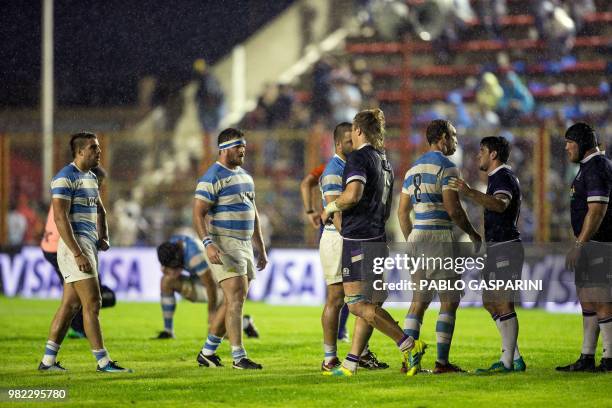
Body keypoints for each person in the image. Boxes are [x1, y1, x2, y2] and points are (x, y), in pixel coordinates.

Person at [321, 108, 426, 377]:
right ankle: (351, 362)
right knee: (371, 302)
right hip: (378, 237)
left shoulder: (359, 158)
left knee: (356, 304)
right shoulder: (384, 160)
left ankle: (408, 344)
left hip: (359, 239)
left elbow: (353, 195)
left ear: (358, 130)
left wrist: (331, 207)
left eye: (352, 132)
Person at [38, 132, 131, 373]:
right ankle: (103, 362)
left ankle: (48, 361)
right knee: (93, 302)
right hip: (74, 247)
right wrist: (77, 252)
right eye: (93, 148)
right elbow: (60, 217)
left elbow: (100, 210)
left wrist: (104, 235)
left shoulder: (90, 177)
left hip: (88, 245)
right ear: (80, 152)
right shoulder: (64, 177)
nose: (99, 151)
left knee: (70, 306)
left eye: (98, 147)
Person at [397, 119, 481, 374]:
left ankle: (408, 361)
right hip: (439, 238)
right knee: (449, 300)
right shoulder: (448, 167)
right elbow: (454, 210)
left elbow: (402, 212)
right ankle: (442, 363)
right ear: (442, 138)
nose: (455, 141)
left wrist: (412, 239)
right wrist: (473, 233)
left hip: (416, 237)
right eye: (453, 136)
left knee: (419, 301)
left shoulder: (413, 169)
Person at [449, 136, 527, 373]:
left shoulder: (503, 177)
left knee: (503, 302)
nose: (478, 155)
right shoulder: (496, 178)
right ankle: (515, 357)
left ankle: (507, 362)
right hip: (496, 247)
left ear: (494, 154)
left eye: (482, 151)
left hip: (507, 247)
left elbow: (500, 205)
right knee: (490, 301)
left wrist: (469, 192)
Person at [193, 128, 267, 370]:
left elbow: (253, 213)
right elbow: (198, 213)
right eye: (238, 146)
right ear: (224, 149)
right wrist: (208, 243)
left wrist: (261, 248)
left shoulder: (245, 176)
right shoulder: (212, 177)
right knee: (235, 296)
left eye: (243, 145)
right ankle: (239, 356)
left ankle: (207, 352)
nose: (242, 150)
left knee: (234, 299)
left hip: (244, 244)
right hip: (224, 242)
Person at [319, 122, 387, 372]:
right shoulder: (334, 170)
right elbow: (335, 212)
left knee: (366, 297)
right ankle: (329, 358)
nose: (354, 144)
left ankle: (360, 353)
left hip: (352, 237)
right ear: (338, 144)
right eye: (349, 141)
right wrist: (350, 239)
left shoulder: (355, 164)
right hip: (339, 238)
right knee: (337, 299)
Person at [557, 122, 612, 372]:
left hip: (599, 242)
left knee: (600, 298)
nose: (567, 147)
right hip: (592, 242)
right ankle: (587, 357)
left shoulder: (597, 167)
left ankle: (609, 357)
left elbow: (597, 209)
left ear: (581, 143)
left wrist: (580, 243)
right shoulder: (588, 167)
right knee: (587, 298)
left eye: (570, 142)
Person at [41, 166, 116, 339]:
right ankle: (81, 329)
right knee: (77, 297)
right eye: (100, 183)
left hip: (54, 246)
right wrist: (79, 251)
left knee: (74, 296)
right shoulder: (78, 191)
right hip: (59, 246)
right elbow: (64, 221)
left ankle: (50, 357)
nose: (100, 188)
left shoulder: (72, 188)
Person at [154, 234, 259, 340]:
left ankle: (245, 323)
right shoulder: (175, 244)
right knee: (166, 281)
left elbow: (210, 285)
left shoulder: (195, 256)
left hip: (219, 288)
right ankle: (168, 331)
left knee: (217, 332)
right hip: (203, 282)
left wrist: (211, 312)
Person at [301, 161, 352, 343]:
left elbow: (306, 183)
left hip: (332, 226)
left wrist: (310, 211)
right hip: (338, 227)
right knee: (342, 287)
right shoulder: (332, 168)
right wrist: (310, 211)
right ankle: (340, 329)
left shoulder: (327, 167)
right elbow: (306, 183)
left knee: (342, 288)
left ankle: (340, 329)